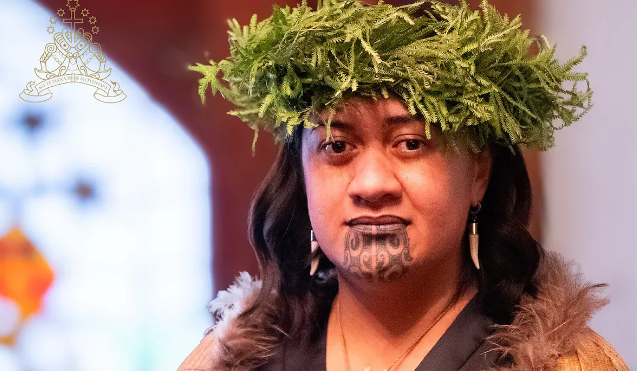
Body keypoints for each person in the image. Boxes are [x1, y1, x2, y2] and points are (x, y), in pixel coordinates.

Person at [179, 1, 628, 370]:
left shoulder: (562, 363)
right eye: (337, 146)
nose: (372, 184)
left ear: (478, 174)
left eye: (410, 143)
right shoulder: (230, 362)